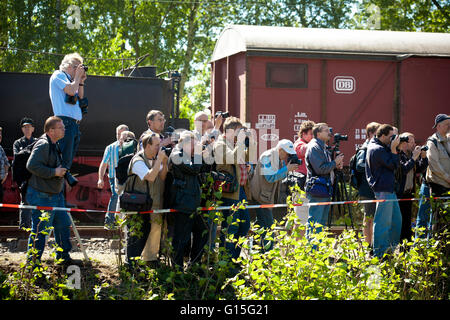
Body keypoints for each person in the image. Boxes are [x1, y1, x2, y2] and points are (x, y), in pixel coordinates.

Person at [25, 116, 72, 264]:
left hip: (55, 195)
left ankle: (63, 258)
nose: (64, 129)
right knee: (40, 231)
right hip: (42, 195)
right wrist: (54, 172)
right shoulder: (44, 145)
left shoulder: (54, 143)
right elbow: (31, 165)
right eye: (61, 127)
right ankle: (33, 264)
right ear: (51, 130)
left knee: (63, 225)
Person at [214, 117, 257, 259]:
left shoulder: (234, 144)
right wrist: (240, 142)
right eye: (239, 131)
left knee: (244, 226)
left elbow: (250, 156)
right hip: (229, 193)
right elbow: (232, 158)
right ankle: (226, 262)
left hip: (241, 191)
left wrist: (250, 142)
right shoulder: (220, 144)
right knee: (231, 228)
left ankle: (234, 259)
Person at [124, 133, 168, 268]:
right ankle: (130, 265)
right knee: (136, 235)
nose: (159, 148)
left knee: (151, 231)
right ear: (147, 146)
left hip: (151, 203)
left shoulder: (155, 158)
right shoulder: (138, 160)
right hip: (137, 205)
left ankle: (148, 261)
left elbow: (162, 177)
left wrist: (164, 162)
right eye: (156, 145)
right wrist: (159, 160)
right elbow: (150, 176)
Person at [250, 138, 299, 251]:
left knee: (261, 225)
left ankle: (257, 251)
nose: (288, 156)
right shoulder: (267, 157)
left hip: (265, 196)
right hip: (261, 196)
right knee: (268, 226)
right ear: (280, 150)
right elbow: (270, 177)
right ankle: (267, 254)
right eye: (287, 153)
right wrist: (287, 169)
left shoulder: (278, 158)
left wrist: (286, 169)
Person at [169, 131, 209, 268]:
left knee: (202, 231)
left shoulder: (187, 155)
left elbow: (201, 169)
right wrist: (198, 153)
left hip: (191, 203)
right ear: (184, 143)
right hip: (182, 202)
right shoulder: (176, 155)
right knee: (181, 238)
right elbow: (194, 169)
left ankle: (193, 264)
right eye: (193, 145)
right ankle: (177, 269)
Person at [365, 124, 401, 259]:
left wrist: (393, 148)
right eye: (391, 137)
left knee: (396, 221)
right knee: (383, 222)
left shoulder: (382, 147)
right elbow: (394, 165)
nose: (393, 139)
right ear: (383, 136)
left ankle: (389, 250)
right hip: (383, 189)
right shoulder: (377, 149)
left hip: (389, 189)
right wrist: (393, 149)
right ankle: (380, 254)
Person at [304, 123, 344, 241]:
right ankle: (312, 252)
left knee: (321, 224)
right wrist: (334, 163)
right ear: (318, 133)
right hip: (318, 190)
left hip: (324, 189)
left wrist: (336, 166)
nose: (329, 133)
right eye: (326, 130)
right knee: (315, 223)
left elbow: (325, 167)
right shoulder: (314, 147)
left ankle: (318, 252)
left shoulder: (323, 147)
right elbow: (320, 169)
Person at [49, 52, 87, 171]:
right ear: (69, 66)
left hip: (74, 124)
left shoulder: (72, 81)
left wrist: (81, 81)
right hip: (64, 123)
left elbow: (80, 96)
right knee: (63, 161)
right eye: (77, 67)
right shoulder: (58, 75)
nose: (79, 70)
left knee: (68, 161)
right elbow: (70, 91)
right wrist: (76, 78)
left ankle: (62, 184)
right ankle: (59, 186)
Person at [422, 114, 450, 235]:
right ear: (438, 126)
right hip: (439, 185)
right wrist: (448, 178)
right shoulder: (432, 142)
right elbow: (434, 164)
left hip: (448, 184)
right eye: (447, 124)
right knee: (438, 219)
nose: (449, 127)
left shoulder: (448, 140)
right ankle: (437, 247)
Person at [97, 124, 129, 229]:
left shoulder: (132, 146)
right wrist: (100, 178)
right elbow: (103, 163)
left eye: (122, 134)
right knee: (116, 195)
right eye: (118, 134)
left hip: (128, 177)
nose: (119, 137)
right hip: (114, 177)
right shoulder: (111, 147)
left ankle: (123, 221)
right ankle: (109, 221)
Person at [355, 122, 380, 246]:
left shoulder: (373, 146)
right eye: (377, 133)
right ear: (370, 134)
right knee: (368, 217)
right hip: (366, 189)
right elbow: (359, 165)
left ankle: (372, 243)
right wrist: (374, 167)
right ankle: (367, 245)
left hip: (373, 187)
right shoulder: (365, 148)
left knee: (374, 217)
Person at [395, 132, 423, 243]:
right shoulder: (397, 154)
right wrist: (414, 158)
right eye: (411, 142)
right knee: (401, 222)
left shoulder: (409, 155)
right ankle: (401, 246)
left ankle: (406, 247)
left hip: (409, 193)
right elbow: (403, 170)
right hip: (400, 194)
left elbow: (419, 169)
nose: (414, 144)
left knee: (407, 222)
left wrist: (423, 158)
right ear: (404, 143)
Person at [13, 117, 38, 229]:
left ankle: (36, 229)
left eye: (29, 127)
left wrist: (26, 154)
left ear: (33, 128)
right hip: (24, 177)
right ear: (22, 129)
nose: (27, 129)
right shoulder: (17, 143)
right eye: (24, 127)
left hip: (36, 176)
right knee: (25, 202)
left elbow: (40, 158)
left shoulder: (38, 141)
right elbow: (17, 157)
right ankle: (24, 229)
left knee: (38, 202)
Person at [292, 120, 315, 228]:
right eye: (311, 134)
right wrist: (316, 142)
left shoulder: (308, 143)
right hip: (300, 184)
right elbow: (302, 150)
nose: (313, 137)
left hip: (306, 183)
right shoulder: (299, 144)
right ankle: (298, 244)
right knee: (300, 217)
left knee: (304, 216)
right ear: (303, 134)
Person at [0, 127, 10, 204]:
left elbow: (6, 162)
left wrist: (6, 174)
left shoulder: (0, 148)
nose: (0, 136)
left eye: (0, 134)